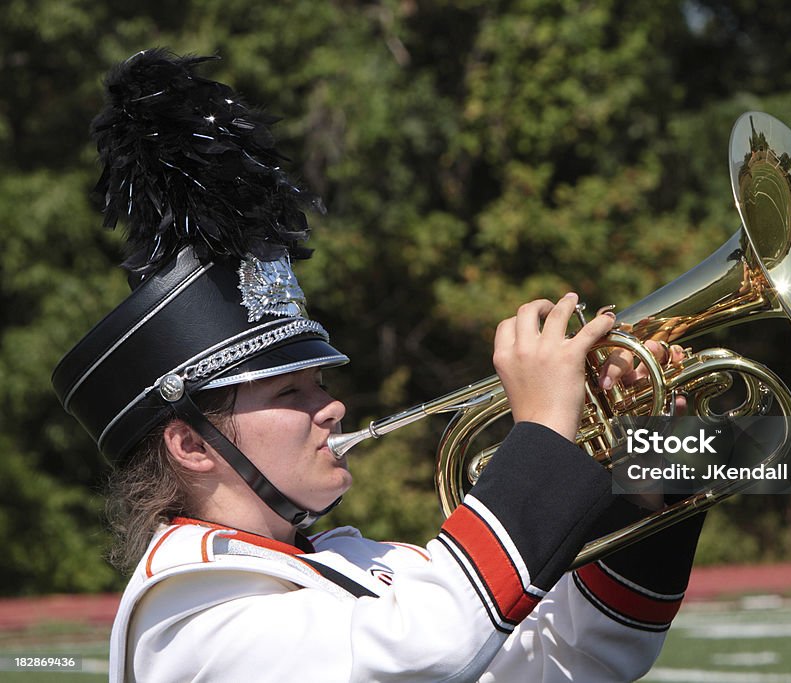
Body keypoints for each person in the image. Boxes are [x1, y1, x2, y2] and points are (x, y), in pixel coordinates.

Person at [52, 49, 704, 683]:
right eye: (291, 391)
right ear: (191, 442)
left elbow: (574, 659)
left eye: (321, 382)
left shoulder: (357, 560)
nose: (331, 407)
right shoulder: (190, 617)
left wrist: (647, 479)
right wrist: (538, 435)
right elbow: (432, 646)